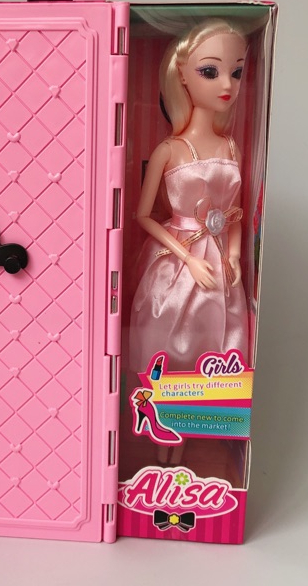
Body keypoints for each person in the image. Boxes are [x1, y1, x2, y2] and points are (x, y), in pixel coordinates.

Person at [130, 19, 249, 375]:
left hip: (220, 260)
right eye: (210, 71)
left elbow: (234, 212)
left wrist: (234, 255)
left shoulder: (231, 147)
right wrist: (188, 259)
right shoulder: (169, 149)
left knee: (219, 334)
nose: (227, 85)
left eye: (237, 73)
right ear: (181, 74)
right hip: (179, 259)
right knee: (169, 332)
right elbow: (143, 215)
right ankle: (161, 400)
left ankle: (213, 404)